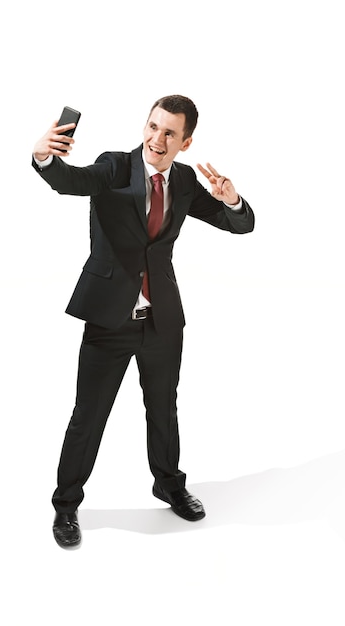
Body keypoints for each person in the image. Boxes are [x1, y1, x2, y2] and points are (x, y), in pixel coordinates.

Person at [32, 95, 255, 548]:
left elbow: (240, 225)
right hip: (109, 319)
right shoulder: (115, 167)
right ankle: (66, 504)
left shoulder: (187, 180)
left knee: (163, 407)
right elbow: (69, 181)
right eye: (153, 126)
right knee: (89, 415)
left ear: (185, 142)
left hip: (161, 320)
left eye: (170, 132)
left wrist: (232, 200)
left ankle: (169, 484)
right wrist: (43, 158)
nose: (157, 138)